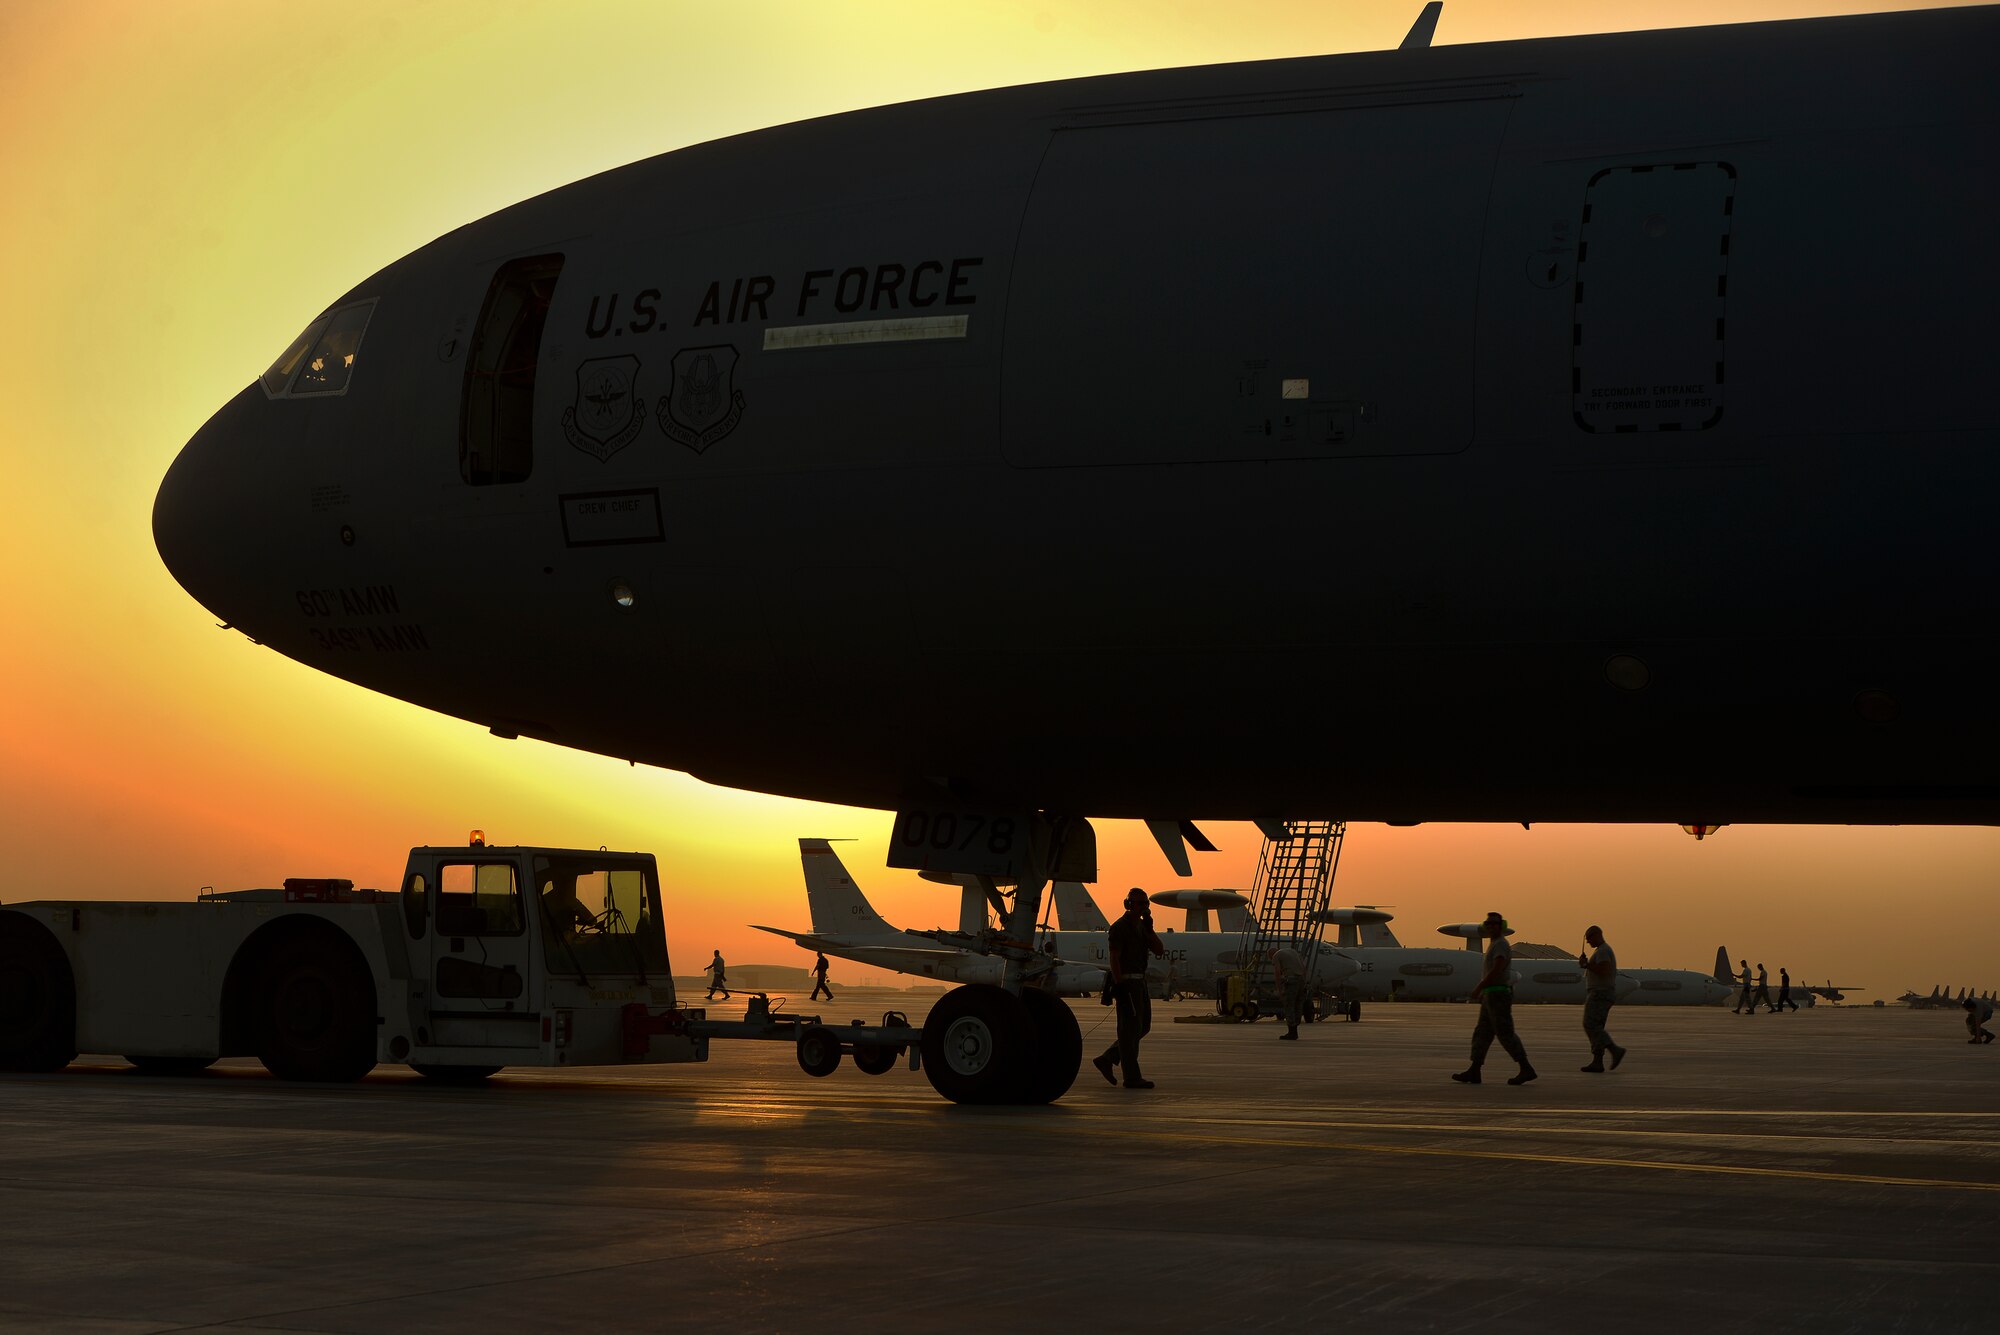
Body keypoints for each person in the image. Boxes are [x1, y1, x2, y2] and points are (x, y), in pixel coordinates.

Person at [1091, 888, 1166, 1089]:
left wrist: (1150, 930)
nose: (1144, 907)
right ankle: (1132, 1077)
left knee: (1142, 1027)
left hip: (1140, 983)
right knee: (1129, 1030)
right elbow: (1114, 957)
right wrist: (1119, 985)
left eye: (1146, 904)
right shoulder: (1119, 927)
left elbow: (1159, 950)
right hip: (1127, 982)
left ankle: (1108, 1058)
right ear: (1128, 904)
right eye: (1139, 903)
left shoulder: (1142, 927)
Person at [1452, 911, 1536, 1086]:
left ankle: (1526, 1068)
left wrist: (1480, 987)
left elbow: (1497, 969)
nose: (1491, 927)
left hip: (1498, 995)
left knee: (1505, 1033)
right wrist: (1485, 991)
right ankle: (1474, 1070)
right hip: (1491, 994)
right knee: (1482, 1033)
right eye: (1488, 924)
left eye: (1494, 924)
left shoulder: (1500, 945)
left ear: (1501, 926)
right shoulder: (1494, 944)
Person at [1577, 925, 1627, 1072]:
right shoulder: (1602, 951)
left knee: (1591, 1025)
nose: (1588, 942)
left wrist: (1587, 965)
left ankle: (1614, 1050)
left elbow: (1604, 970)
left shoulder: (1603, 951)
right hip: (1601, 993)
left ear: (1597, 935)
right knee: (1596, 1026)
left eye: (1589, 938)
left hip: (1600, 993)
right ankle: (1597, 1061)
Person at [1272, 943, 1307, 1040]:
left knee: (1289, 1005)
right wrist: (1304, 982)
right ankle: (1295, 1029)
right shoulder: (1293, 952)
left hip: (1291, 981)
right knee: (1298, 1005)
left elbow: (1277, 973)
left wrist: (1279, 990)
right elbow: (1304, 968)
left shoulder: (1276, 956)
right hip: (1301, 980)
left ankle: (1292, 1032)